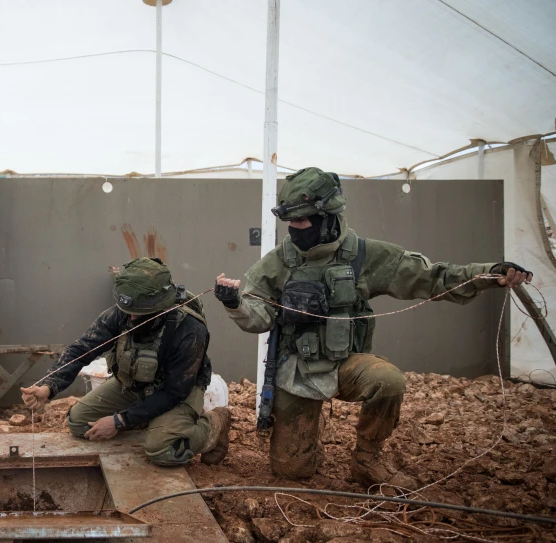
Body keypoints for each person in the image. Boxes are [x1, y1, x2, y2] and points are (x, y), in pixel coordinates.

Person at [214, 167, 532, 488]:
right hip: (298, 372)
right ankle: (308, 437)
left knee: (388, 380)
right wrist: (234, 302)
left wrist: (489, 273)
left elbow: (432, 277)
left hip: (347, 365)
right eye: (290, 222)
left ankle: (367, 458)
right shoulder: (280, 261)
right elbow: (258, 316)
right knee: (291, 471)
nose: (294, 230)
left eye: (301, 221)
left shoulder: (365, 256)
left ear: (327, 217)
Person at [21, 257, 232, 466]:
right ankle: (146, 420)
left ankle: (214, 425)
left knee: (163, 450)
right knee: (79, 423)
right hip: (132, 383)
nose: (129, 318)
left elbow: (174, 392)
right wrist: (49, 386)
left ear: (159, 307)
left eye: (137, 313)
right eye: (126, 311)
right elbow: (82, 349)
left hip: (175, 391)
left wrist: (119, 421)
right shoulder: (122, 313)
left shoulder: (189, 330)